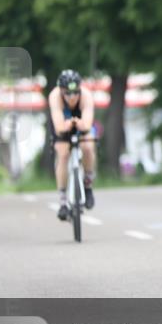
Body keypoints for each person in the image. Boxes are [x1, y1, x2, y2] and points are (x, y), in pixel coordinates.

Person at [48, 69, 96, 220]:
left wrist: (79, 124)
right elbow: (58, 126)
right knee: (63, 154)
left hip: (81, 122)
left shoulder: (86, 96)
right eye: (67, 93)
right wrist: (66, 126)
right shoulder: (54, 96)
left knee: (88, 147)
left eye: (75, 92)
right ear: (61, 91)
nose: (72, 97)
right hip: (62, 123)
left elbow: (87, 123)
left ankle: (87, 185)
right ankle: (63, 201)